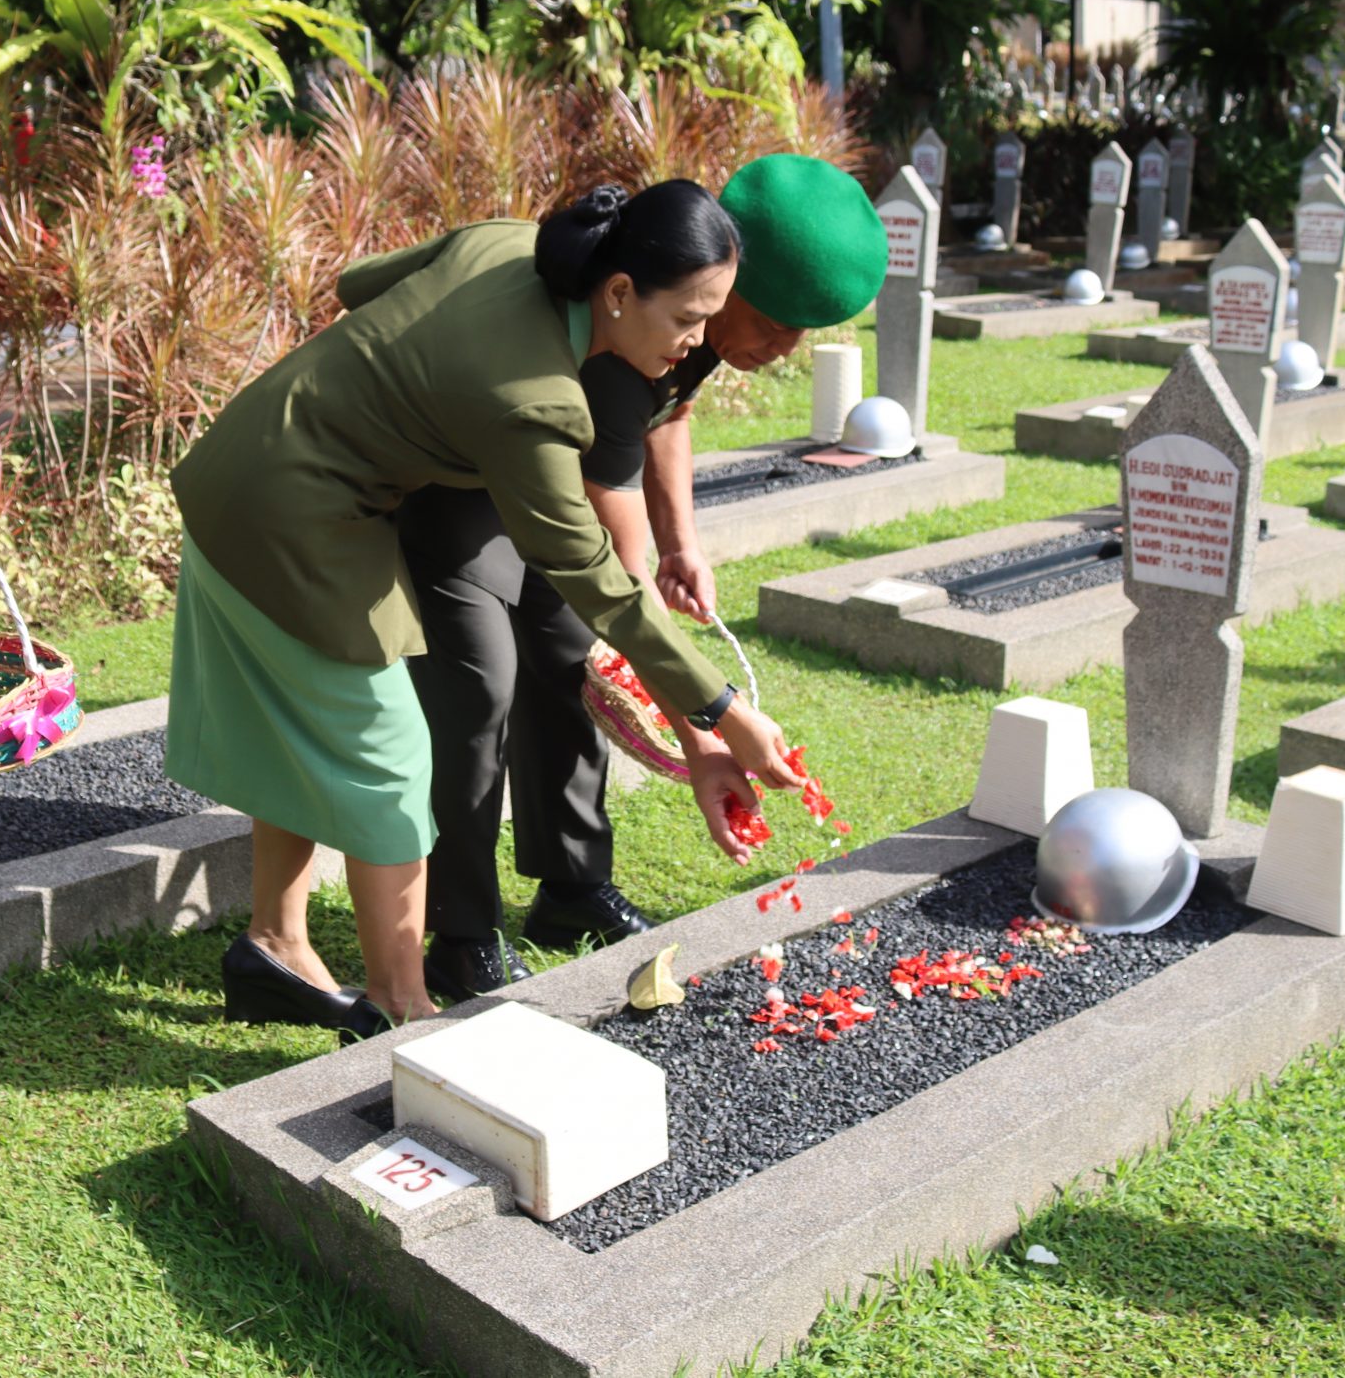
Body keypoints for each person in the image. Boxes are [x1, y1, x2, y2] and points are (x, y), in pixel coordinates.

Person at [166, 180, 807, 1040]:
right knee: (390, 755)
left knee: (308, 726)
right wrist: (722, 712)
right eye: (689, 319)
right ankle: (405, 1008)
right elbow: (594, 575)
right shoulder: (537, 401)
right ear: (619, 292)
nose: (695, 344)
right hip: (292, 512)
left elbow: (360, 283)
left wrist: (397, 387)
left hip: (253, 460)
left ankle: (275, 947)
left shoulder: (509, 243)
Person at [399, 155, 888, 998]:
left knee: (571, 664)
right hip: (456, 486)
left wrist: (681, 543)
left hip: (547, 494)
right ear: (723, 279)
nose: (786, 349)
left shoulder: (691, 328)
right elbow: (618, 588)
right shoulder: (625, 352)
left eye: (805, 333)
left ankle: (571, 888)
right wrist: (705, 739)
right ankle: (460, 931)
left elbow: (674, 412)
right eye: (777, 323)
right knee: (481, 681)